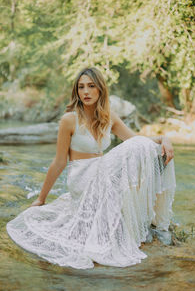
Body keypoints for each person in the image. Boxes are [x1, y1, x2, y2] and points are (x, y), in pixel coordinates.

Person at [6, 67, 176, 269]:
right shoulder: (69, 120)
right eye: (81, 87)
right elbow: (59, 162)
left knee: (150, 149)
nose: (85, 92)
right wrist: (41, 199)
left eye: (91, 86)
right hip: (82, 177)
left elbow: (136, 139)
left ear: (100, 89)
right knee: (138, 149)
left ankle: (152, 218)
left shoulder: (109, 117)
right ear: (76, 92)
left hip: (103, 173)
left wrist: (164, 138)